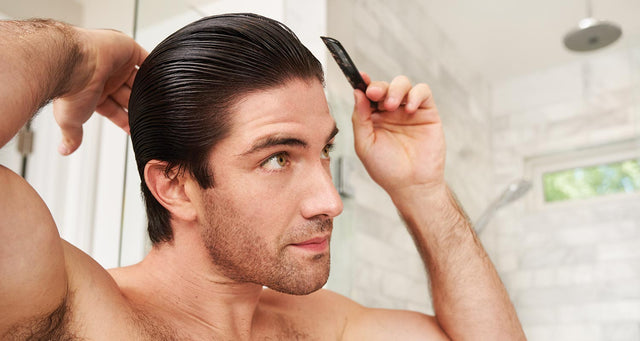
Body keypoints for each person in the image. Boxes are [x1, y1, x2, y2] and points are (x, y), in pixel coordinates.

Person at [0, 13, 525, 340]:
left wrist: (420, 187)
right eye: (277, 157)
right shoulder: (73, 312)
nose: (329, 201)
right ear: (176, 187)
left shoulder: (324, 326)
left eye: (323, 152)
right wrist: (80, 51)